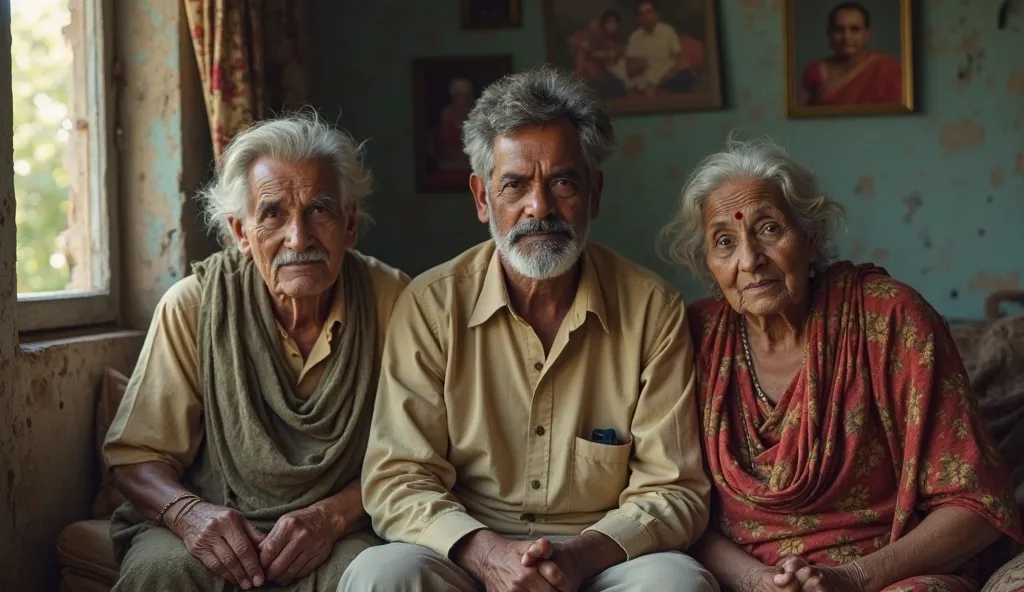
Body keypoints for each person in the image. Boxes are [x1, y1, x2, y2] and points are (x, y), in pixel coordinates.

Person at [341, 67, 716, 592]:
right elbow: (397, 477)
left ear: (594, 193)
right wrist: (488, 554)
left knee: (678, 584)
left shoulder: (652, 309)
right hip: (466, 552)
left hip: (602, 556)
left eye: (562, 182)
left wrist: (576, 557)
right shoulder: (430, 305)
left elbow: (674, 489)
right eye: (514, 184)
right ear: (481, 197)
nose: (538, 207)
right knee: (381, 575)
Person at [660, 136, 1024, 592]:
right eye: (725, 241)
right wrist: (757, 581)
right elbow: (675, 501)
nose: (750, 260)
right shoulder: (694, 338)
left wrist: (851, 578)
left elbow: (978, 505)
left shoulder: (889, 318)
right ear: (709, 264)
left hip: (886, 577)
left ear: (810, 239)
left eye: (770, 229)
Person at [103, 112, 410, 592]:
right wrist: (191, 515)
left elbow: (418, 457)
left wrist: (331, 516)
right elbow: (137, 458)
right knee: (159, 572)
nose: (298, 237)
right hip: (211, 515)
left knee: (366, 575)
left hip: (344, 523)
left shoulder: (394, 301)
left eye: (320, 210)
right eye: (273, 214)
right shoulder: (194, 305)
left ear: (349, 225)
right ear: (241, 233)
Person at [801, 2, 903, 106]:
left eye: (855, 29)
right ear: (829, 33)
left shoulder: (887, 69)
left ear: (867, 34)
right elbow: (803, 116)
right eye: (839, 30)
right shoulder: (814, 72)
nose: (847, 37)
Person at [625, 0, 693, 95]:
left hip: (666, 76)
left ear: (657, 14)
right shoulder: (634, 37)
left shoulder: (667, 32)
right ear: (638, 18)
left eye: (649, 12)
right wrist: (643, 64)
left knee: (683, 77)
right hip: (642, 77)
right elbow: (630, 67)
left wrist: (669, 74)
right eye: (641, 14)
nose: (645, 16)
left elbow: (678, 58)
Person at [571, 10, 628, 99]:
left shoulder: (621, 39)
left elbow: (618, 55)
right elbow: (577, 44)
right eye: (609, 23)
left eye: (615, 23)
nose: (612, 27)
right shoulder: (595, 38)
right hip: (594, 76)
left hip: (613, 77)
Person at [435, 78, 476, 171]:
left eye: (466, 96)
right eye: (458, 96)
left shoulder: (476, 114)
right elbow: (444, 143)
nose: (462, 101)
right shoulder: (446, 115)